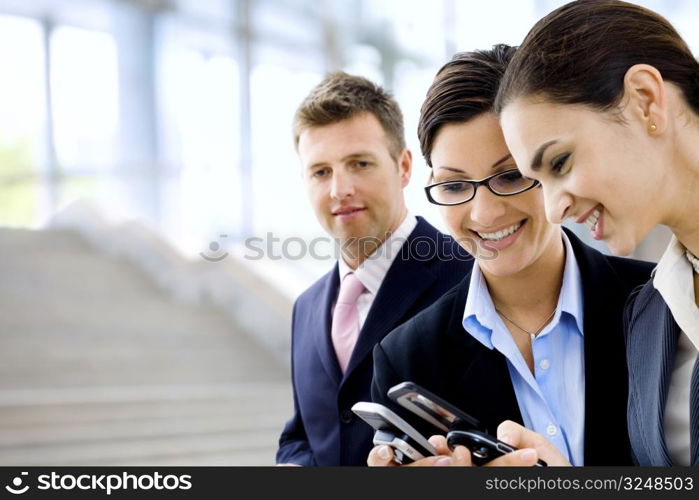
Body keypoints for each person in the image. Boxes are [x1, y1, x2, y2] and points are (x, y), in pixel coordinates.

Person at [367, 45, 654, 467]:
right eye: (454, 186)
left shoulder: (660, 302)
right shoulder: (408, 358)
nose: (484, 213)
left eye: (511, 175)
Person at [495, 0, 699, 466]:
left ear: (646, 99)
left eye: (560, 163)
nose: (552, 209)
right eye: (539, 182)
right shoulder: (647, 314)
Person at [275, 72, 473, 466]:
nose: (339, 190)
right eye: (320, 172)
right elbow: (302, 436)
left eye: (359, 163)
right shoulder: (307, 306)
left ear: (403, 167)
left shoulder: (469, 277)